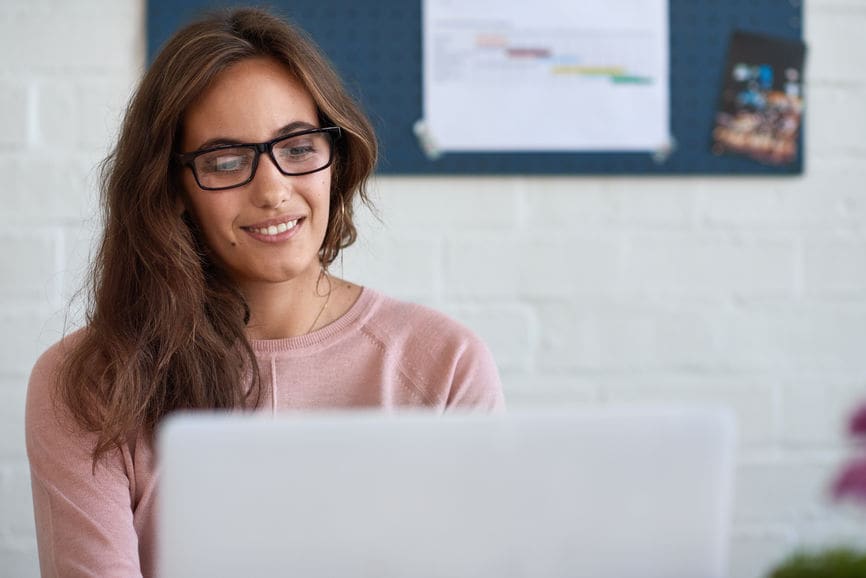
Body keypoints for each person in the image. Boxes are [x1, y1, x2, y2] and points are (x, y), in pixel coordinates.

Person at [25, 7, 504, 577]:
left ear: (335, 158)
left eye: (299, 148)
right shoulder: (90, 379)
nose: (273, 191)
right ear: (172, 188)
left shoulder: (442, 363)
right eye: (226, 162)